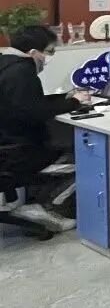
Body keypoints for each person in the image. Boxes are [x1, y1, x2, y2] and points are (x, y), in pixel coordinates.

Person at [0, 25, 87, 231]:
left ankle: (33, 201)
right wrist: (74, 102)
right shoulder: (22, 72)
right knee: (82, 157)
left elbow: (26, 103)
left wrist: (64, 98)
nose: (49, 57)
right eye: (48, 51)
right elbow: (32, 113)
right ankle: (47, 208)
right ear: (33, 52)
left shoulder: (6, 64)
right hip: (17, 153)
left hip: (6, 146)